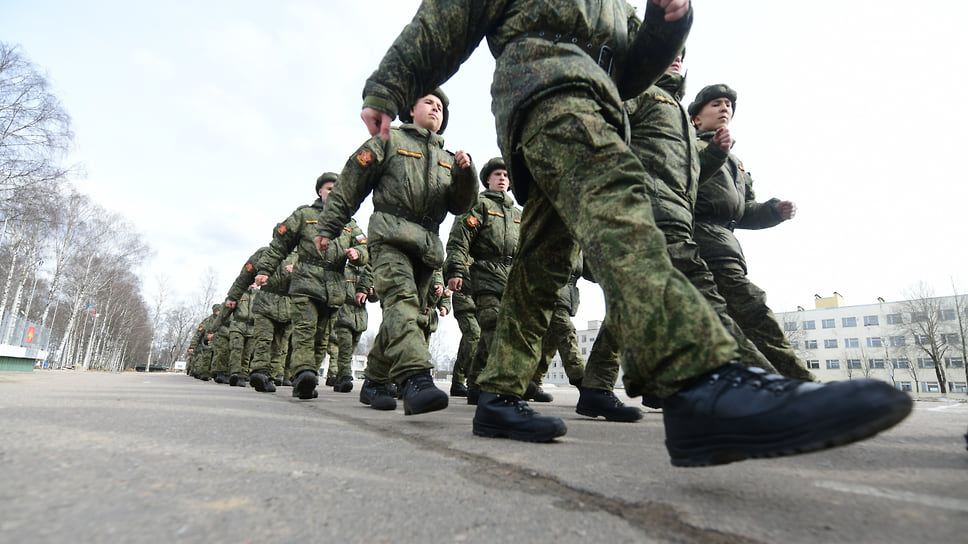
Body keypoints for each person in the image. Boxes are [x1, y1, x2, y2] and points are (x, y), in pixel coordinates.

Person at [353, 0, 912, 466]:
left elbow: (630, 73)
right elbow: (450, 15)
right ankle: (702, 377)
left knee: (543, 261)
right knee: (618, 198)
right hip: (544, 83)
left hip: (595, 100)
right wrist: (388, 86)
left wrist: (666, 26)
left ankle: (499, 393)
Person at [315, 89, 477, 415]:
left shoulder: (447, 159)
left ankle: (374, 380)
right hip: (389, 237)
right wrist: (328, 227)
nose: (436, 109)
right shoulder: (390, 140)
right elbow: (351, 182)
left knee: (406, 316)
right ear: (411, 109)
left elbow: (461, 205)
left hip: (427, 245)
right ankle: (416, 378)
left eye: (441, 107)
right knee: (402, 303)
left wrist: (465, 175)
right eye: (429, 103)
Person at [688, 83, 814, 382]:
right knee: (753, 312)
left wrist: (772, 211)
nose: (724, 108)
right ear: (696, 119)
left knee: (716, 322)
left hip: (726, 244)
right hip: (701, 242)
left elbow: (743, 210)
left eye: (728, 105)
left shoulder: (736, 162)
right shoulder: (689, 146)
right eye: (716, 104)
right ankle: (798, 384)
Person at [255, 172, 369, 400]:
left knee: (322, 337)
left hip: (334, 288)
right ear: (320, 191)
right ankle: (304, 372)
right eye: (329, 188)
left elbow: (367, 250)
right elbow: (279, 245)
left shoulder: (349, 223)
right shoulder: (304, 215)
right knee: (305, 330)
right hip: (306, 281)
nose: (333, 192)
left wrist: (357, 255)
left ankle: (307, 378)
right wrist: (264, 270)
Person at [444, 157, 520, 405]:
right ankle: (479, 383)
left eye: (506, 175)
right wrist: (456, 270)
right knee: (491, 325)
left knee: (509, 332)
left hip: (512, 279)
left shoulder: (518, 214)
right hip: (485, 274)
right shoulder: (479, 205)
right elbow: (460, 238)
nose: (502, 178)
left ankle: (481, 381)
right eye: (497, 174)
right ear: (487, 179)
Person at [527, 253, 586, 403]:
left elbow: (590, 271)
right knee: (566, 331)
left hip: (567, 294)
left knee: (550, 341)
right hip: (551, 289)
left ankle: (533, 382)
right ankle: (584, 383)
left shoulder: (580, 241)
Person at [331, 262, 377, 392]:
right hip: (344, 313)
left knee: (351, 349)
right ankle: (345, 376)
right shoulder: (343, 271)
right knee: (345, 348)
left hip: (360, 316)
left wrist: (373, 292)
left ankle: (339, 378)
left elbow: (375, 298)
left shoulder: (367, 273)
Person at [448, 278, 478, 397]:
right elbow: (455, 260)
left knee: (474, 340)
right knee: (473, 335)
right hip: (464, 298)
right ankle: (465, 381)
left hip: (480, 300)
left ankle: (462, 381)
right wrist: (455, 273)